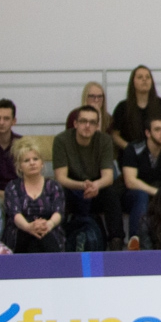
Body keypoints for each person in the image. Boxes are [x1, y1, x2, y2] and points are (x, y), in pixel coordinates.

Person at [52, 104, 120, 250]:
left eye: (92, 122)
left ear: (97, 126)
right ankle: (58, 242)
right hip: (72, 190)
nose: (87, 126)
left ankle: (116, 241)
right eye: (83, 121)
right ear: (76, 124)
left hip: (96, 190)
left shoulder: (104, 140)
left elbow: (108, 177)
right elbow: (61, 178)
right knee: (59, 193)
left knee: (111, 192)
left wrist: (95, 185)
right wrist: (83, 185)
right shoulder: (61, 140)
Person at [6, 141, 63, 253]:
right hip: (21, 230)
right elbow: (15, 214)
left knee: (45, 237)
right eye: (26, 160)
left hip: (49, 229)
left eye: (35, 159)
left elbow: (59, 211)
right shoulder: (12, 186)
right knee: (27, 236)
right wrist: (29, 227)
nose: (32, 163)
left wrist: (48, 224)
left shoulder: (53, 186)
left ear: (42, 163)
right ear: (19, 167)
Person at [112, 66, 161, 150]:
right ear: (133, 82)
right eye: (140, 77)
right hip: (131, 155)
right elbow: (115, 135)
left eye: (147, 77)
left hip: (158, 152)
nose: (144, 79)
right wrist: (129, 148)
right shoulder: (122, 107)